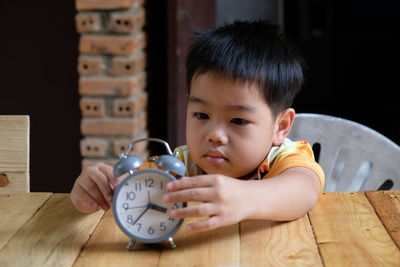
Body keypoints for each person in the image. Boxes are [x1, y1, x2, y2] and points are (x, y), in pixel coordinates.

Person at [70, 20, 325, 232]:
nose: (214, 135)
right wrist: (96, 191)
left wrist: (246, 197)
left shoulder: (285, 158)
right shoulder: (179, 165)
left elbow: (304, 190)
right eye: (202, 115)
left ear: (280, 126)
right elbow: (131, 189)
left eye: (238, 120)